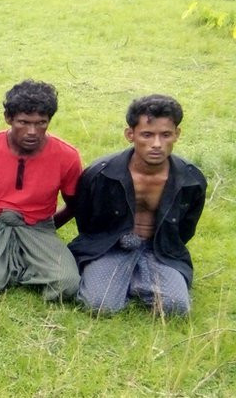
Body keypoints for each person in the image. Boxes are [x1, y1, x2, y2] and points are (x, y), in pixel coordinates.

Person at [65, 96, 206, 316]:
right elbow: (85, 219)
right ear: (130, 134)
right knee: (99, 305)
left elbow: (186, 227)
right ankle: (124, 278)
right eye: (147, 135)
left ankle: (135, 278)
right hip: (110, 246)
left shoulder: (191, 179)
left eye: (165, 135)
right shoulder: (101, 173)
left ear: (177, 134)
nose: (157, 144)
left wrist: (165, 245)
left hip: (160, 249)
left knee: (176, 307)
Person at [0, 80, 82, 302]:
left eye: (41, 123)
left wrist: (47, 227)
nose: (32, 132)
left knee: (67, 284)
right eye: (23, 122)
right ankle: (6, 258)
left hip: (39, 225)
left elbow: (74, 205)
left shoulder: (67, 156)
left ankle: (15, 262)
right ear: (8, 118)